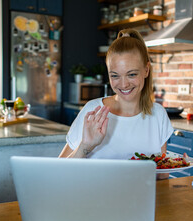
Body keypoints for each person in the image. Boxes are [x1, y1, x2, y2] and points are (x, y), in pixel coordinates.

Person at [59, 29, 174, 177]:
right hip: (95, 198)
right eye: (115, 76)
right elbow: (60, 174)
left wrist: (175, 165)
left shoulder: (158, 114)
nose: (124, 84)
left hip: (140, 198)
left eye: (132, 74)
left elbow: (161, 177)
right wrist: (85, 147)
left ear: (146, 70)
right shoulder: (93, 111)